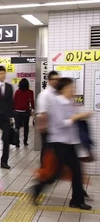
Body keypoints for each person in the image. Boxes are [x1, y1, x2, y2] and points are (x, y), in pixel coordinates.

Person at [32, 78, 92, 210]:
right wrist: (77, 117)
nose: (73, 90)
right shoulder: (56, 103)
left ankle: (39, 188)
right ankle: (75, 200)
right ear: (63, 89)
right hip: (59, 142)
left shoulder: (69, 102)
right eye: (71, 88)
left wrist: (80, 117)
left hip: (70, 142)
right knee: (68, 171)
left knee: (64, 172)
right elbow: (60, 123)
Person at [36, 71, 59, 165]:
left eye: (58, 79)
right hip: (47, 128)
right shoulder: (44, 94)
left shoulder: (57, 93)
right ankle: (44, 170)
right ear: (49, 81)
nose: (56, 81)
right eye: (54, 79)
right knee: (46, 150)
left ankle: (51, 170)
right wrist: (44, 128)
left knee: (53, 150)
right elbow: (41, 113)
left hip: (56, 128)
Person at [13, 78, 35, 147]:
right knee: (26, 127)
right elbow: (32, 101)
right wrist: (33, 109)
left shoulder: (17, 92)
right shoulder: (30, 92)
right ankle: (25, 141)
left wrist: (12, 110)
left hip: (17, 112)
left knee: (17, 127)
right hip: (26, 112)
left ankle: (17, 142)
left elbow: (14, 101)